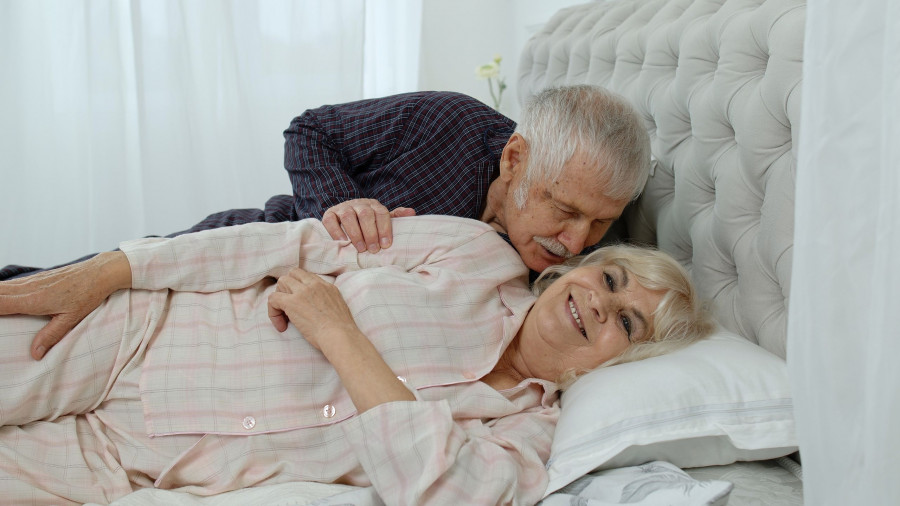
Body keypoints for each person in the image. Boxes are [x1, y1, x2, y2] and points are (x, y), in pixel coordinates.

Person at [0, 215, 713, 505]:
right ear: (572, 272)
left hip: (130, 465)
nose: (601, 302)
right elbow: (294, 243)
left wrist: (341, 335)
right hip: (141, 333)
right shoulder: (474, 253)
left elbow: (436, 490)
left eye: (628, 322)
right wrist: (119, 267)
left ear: (625, 363)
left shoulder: (526, 435)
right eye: (610, 279)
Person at [0, 84, 651, 279]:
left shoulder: (582, 267)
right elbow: (309, 129)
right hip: (257, 245)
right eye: (562, 209)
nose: (577, 239)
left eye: (600, 221)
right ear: (515, 159)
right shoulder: (445, 122)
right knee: (50, 288)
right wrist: (342, 205)